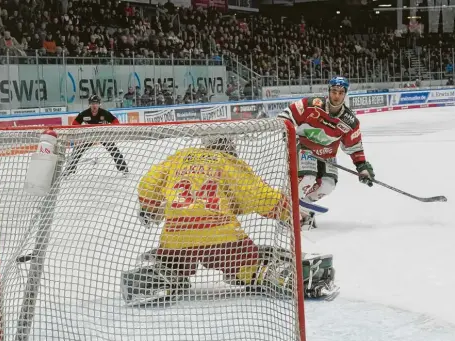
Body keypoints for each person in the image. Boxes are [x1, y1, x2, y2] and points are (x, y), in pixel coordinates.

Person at [121, 137, 336, 305]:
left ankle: (165, 275)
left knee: (173, 261)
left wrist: (150, 208)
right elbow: (257, 196)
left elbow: (147, 185)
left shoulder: (179, 157)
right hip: (221, 237)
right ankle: (272, 275)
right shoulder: (227, 162)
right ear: (227, 146)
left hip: (176, 236)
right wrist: (287, 209)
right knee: (250, 265)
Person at [278, 76, 375, 228]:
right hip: (304, 147)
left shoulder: (350, 121)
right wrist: (286, 129)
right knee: (308, 177)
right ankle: (289, 211)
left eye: (341, 92)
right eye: (334, 91)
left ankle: (301, 207)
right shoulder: (311, 104)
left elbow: (354, 147)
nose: (337, 96)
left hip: (327, 153)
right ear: (329, 91)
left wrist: (362, 167)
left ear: (345, 94)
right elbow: (287, 114)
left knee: (328, 185)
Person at [65, 95, 129, 175]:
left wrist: (110, 130)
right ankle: (70, 170)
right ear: (89, 104)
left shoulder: (104, 113)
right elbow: (74, 124)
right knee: (78, 151)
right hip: (89, 136)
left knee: (113, 149)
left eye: (96, 103)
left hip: (103, 135)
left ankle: (123, 169)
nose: (94, 105)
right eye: (92, 103)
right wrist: (80, 132)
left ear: (99, 104)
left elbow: (115, 122)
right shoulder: (84, 114)